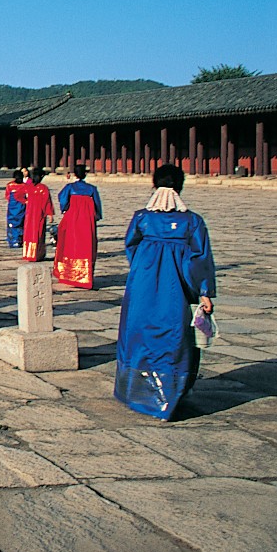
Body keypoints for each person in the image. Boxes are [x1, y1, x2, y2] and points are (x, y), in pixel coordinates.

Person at [115, 164, 216, 420]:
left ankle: (135, 392)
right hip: (175, 290)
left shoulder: (142, 218)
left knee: (137, 336)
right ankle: (168, 397)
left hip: (141, 288)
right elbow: (199, 260)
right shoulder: (192, 222)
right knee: (174, 338)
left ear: (154, 184)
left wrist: (145, 268)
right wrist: (204, 292)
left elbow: (131, 248)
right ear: (180, 186)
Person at [53, 163, 102, 288]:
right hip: (87, 221)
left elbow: (62, 199)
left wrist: (65, 209)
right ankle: (84, 276)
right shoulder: (91, 189)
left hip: (72, 219)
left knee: (70, 244)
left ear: (74, 174)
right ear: (85, 174)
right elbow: (97, 207)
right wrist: (96, 217)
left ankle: (69, 274)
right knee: (86, 245)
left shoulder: (70, 188)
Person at [22, 167, 55, 261]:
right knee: (38, 233)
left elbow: (19, 196)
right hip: (39, 214)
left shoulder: (28, 187)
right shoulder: (43, 188)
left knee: (28, 233)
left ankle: (28, 254)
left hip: (29, 214)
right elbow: (47, 202)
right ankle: (37, 254)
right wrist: (50, 214)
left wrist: (25, 202)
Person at [4, 170, 28, 249]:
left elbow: (7, 196)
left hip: (17, 207)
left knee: (18, 224)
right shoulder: (24, 186)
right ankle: (17, 240)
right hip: (17, 207)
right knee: (17, 224)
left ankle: (15, 240)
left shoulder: (10, 185)